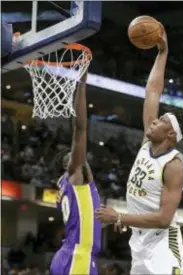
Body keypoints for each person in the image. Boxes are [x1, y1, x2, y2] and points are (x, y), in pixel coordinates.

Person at [96, 27, 183, 275]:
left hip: (163, 242)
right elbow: (152, 91)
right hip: (138, 242)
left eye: (161, 120)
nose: (154, 120)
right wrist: (162, 52)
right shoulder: (146, 143)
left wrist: (119, 217)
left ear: (171, 134)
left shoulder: (174, 165)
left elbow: (163, 218)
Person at [50, 69, 101, 275]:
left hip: (72, 256)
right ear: (67, 165)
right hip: (76, 258)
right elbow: (80, 129)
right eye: (73, 155)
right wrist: (81, 85)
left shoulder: (69, 186)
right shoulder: (74, 173)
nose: (78, 155)